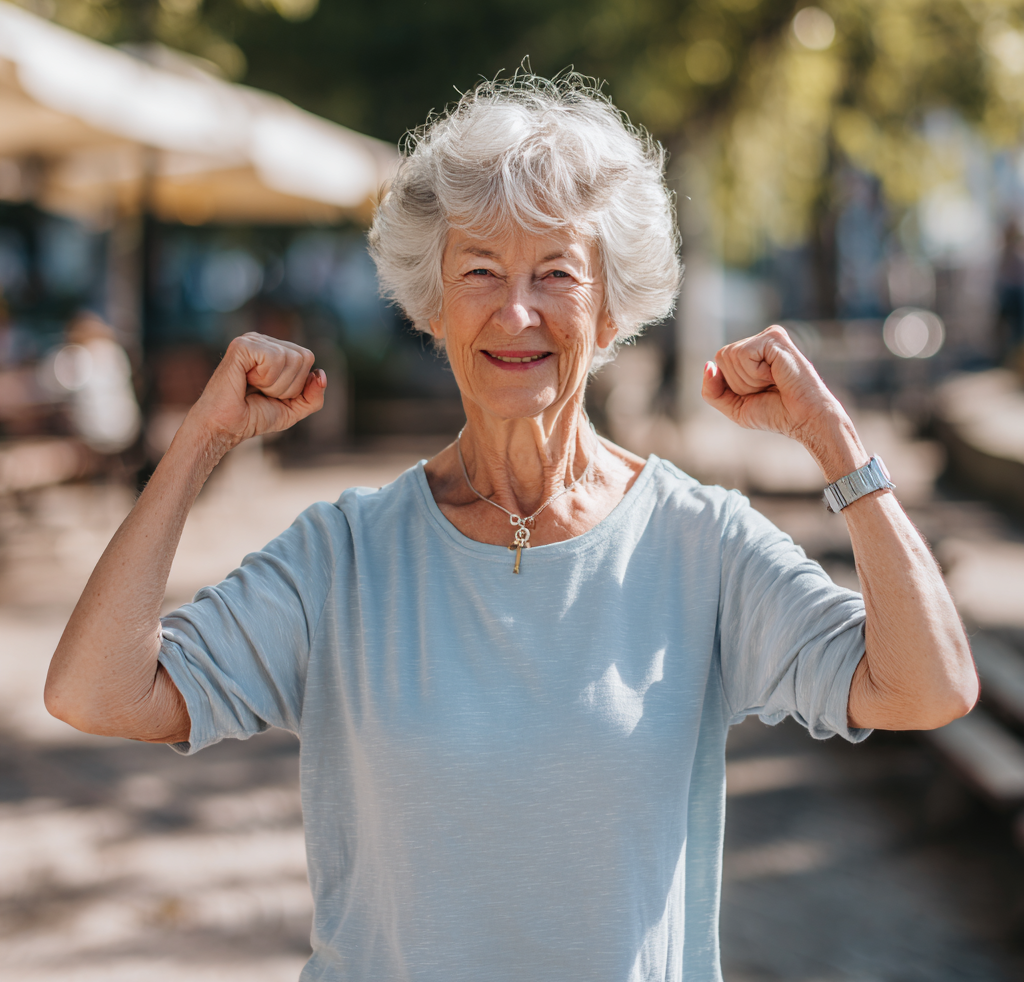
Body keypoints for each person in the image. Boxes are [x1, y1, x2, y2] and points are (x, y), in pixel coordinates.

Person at [45, 75, 976, 982]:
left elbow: (924, 689)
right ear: (434, 304)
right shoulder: (344, 557)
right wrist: (202, 441)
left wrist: (837, 446)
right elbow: (98, 691)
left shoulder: (703, 544)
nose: (516, 310)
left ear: (612, 306)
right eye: (480, 269)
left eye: (556, 272)